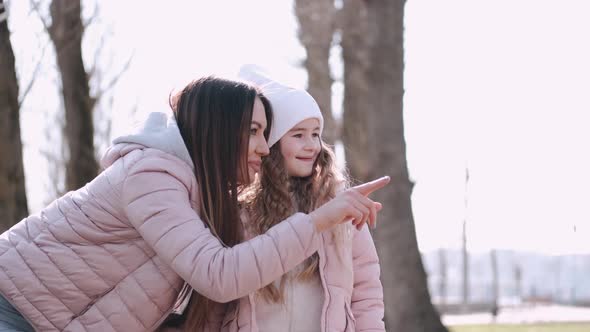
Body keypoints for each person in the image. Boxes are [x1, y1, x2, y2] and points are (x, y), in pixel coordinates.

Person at [0, 76, 389, 332]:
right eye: (253, 132)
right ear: (219, 129)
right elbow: (219, 276)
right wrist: (319, 221)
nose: (261, 146)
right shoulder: (153, 176)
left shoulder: (206, 193)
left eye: (265, 133)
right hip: (11, 306)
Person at [212, 65, 384, 331]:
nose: (312, 145)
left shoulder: (338, 205)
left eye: (316, 134)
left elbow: (366, 289)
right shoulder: (240, 209)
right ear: (272, 141)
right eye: (298, 135)